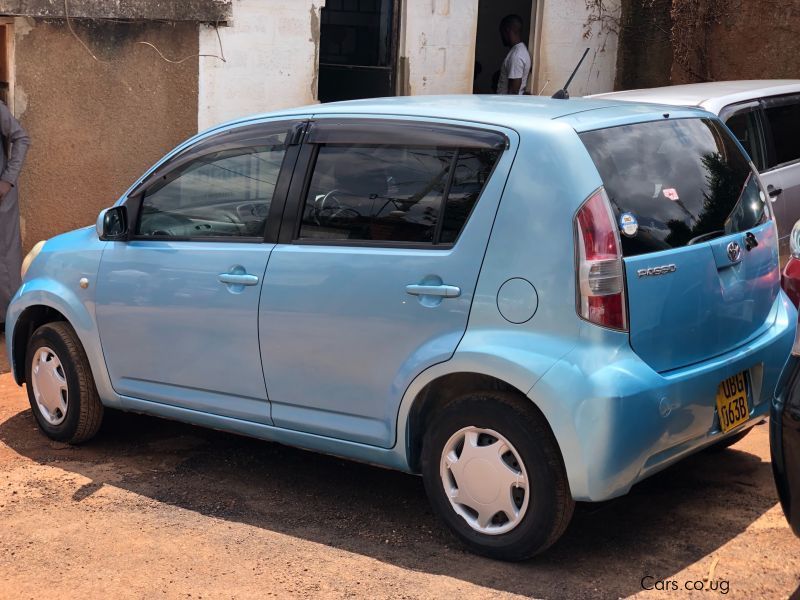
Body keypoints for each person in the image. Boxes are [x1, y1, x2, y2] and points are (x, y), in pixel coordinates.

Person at [0, 99, 30, 326]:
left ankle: (12, 321)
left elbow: (21, 138)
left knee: (5, 258)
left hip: (1, 196)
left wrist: (7, 180)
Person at [497, 14, 532, 95]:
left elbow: (513, 92)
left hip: (505, 105)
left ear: (507, 31)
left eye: (501, 32)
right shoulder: (519, 51)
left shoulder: (517, 56)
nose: (501, 36)